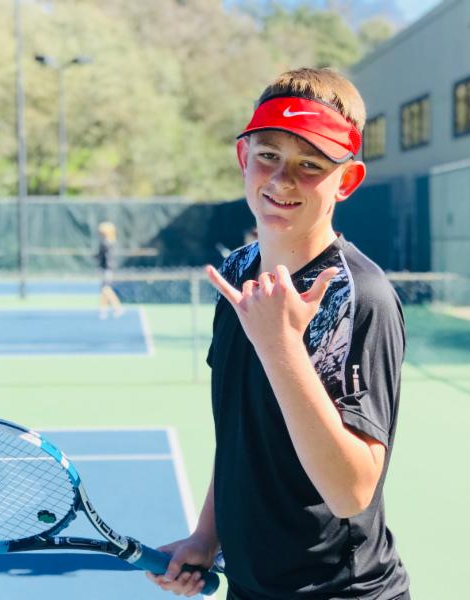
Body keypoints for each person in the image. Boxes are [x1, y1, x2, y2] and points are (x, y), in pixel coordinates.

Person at [147, 67, 410, 599]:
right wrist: (206, 536)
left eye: (310, 164)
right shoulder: (238, 273)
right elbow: (242, 434)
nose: (282, 180)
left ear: (347, 181)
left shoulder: (360, 296)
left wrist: (281, 346)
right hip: (250, 587)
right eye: (268, 155)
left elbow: (352, 492)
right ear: (243, 157)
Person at [96, 221, 123, 319]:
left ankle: (118, 307)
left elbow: (105, 258)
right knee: (104, 290)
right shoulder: (110, 242)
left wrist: (101, 264)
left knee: (106, 289)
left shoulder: (106, 243)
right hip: (107, 269)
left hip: (107, 270)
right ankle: (103, 310)